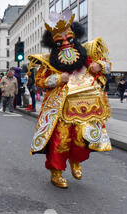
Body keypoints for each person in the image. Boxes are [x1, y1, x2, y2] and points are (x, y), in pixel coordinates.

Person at [28, 10, 112, 189]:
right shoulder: (49, 62)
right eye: (60, 41)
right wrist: (57, 79)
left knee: (82, 141)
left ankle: (75, 160)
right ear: (53, 43)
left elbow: (107, 65)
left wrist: (100, 66)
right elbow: (39, 81)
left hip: (86, 106)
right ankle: (56, 172)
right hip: (61, 109)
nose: (66, 43)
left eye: (69, 39)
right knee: (61, 142)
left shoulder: (86, 54)